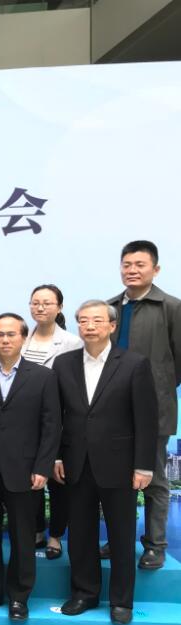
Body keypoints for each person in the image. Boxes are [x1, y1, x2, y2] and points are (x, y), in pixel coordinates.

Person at [53, 300, 158, 624]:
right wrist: (56, 455)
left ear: (112, 326)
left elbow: (146, 419)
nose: (90, 326)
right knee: (80, 534)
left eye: (97, 320)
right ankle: (84, 593)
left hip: (120, 464)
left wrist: (143, 465)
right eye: (83, 321)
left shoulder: (134, 364)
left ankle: (121, 601)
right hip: (76, 462)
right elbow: (56, 416)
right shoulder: (64, 364)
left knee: (121, 535)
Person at [0, 313, 60, 621]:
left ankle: (19, 597)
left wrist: (43, 467)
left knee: (23, 538)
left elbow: (51, 426)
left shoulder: (43, 376)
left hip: (26, 471)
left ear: (23, 338)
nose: (5, 340)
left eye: (11, 334)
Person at [106, 240, 181, 570]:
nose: (132, 270)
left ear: (156, 269)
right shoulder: (110, 308)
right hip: (111, 410)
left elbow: (177, 361)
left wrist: (157, 389)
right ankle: (118, 540)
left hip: (154, 407)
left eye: (140, 264)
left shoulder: (171, 307)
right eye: (127, 264)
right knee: (115, 478)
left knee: (154, 479)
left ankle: (155, 545)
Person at [22, 284, 82, 559]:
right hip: (25, 424)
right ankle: (36, 530)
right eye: (35, 302)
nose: (40, 307)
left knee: (58, 483)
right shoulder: (21, 339)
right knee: (29, 482)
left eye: (47, 303)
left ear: (59, 307)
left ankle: (55, 536)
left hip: (60, 421)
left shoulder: (72, 342)